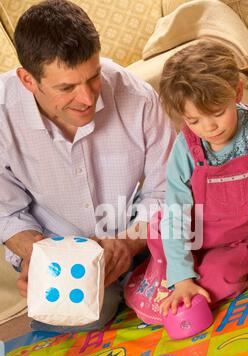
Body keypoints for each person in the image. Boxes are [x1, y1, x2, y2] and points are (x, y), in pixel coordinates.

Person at [0, 0, 176, 332]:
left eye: (93, 77)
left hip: (133, 236)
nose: (87, 98)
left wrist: (126, 244)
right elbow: (6, 212)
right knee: (89, 318)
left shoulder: (136, 97)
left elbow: (166, 190)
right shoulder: (2, 114)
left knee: (197, 268)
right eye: (66, 87)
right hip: (55, 251)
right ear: (27, 80)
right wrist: (39, 258)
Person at [124, 39, 248, 325]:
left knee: (214, 282)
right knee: (159, 229)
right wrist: (181, 277)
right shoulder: (184, 148)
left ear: (237, 91)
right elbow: (176, 213)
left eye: (217, 113)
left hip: (242, 238)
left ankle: (182, 273)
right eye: (193, 120)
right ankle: (166, 272)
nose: (209, 127)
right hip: (197, 234)